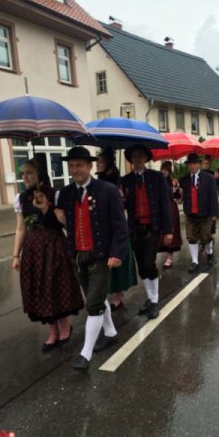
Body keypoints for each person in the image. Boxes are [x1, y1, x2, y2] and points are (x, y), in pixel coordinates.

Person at [35, 146, 128, 370]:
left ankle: (85, 354)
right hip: (77, 256)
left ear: (90, 166)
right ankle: (111, 332)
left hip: (101, 255)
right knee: (96, 298)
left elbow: (120, 226)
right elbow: (58, 224)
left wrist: (117, 253)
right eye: (72, 165)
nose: (75, 169)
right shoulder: (66, 193)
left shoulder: (107, 190)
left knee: (94, 304)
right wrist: (45, 209)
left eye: (79, 165)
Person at [12, 159, 84, 352]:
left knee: (56, 285)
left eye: (29, 172)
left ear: (39, 174)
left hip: (53, 244)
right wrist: (15, 255)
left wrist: (46, 207)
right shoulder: (21, 198)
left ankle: (65, 327)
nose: (25, 177)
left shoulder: (55, 194)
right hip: (33, 248)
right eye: (23, 173)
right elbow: (21, 227)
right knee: (39, 289)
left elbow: (64, 223)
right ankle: (52, 331)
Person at [121, 144, 172, 319]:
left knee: (149, 264)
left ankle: (155, 301)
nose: (137, 159)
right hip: (135, 230)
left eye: (140, 156)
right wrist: (120, 197)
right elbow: (123, 206)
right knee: (141, 267)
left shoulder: (157, 177)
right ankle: (150, 299)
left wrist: (168, 230)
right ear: (131, 159)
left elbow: (165, 204)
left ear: (146, 158)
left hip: (153, 228)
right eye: (134, 156)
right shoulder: (125, 181)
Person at [96, 147, 137, 310]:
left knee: (117, 260)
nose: (97, 164)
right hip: (101, 227)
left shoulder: (115, 182)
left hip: (115, 226)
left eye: (100, 162)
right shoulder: (97, 180)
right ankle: (107, 292)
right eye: (97, 162)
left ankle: (118, 294)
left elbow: (122, 204)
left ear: (108, 163)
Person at [179, 153, 219, 272]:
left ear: (199, 164)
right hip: (190, 213)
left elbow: (213, 197)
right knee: (191, 238)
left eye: (195, 163)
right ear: (188, 166)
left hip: (205, 213)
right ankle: (194, 261)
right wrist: (176, 189)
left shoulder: (209, 178)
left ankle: (210, 253)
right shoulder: (184, 180)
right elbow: (178, 198)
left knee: (206, 237)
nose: (192, 166)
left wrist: (214, 214)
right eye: (190, 164)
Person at [158, 161, 183, 268]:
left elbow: (177, 197)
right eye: (162, 169)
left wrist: (176, 187)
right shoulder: (157, 181)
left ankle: (169, 257)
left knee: (171, 231)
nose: (164, 172)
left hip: (171, 209)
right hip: (159, 210)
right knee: (159, 233)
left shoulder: (172, 182)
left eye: (166, 170)